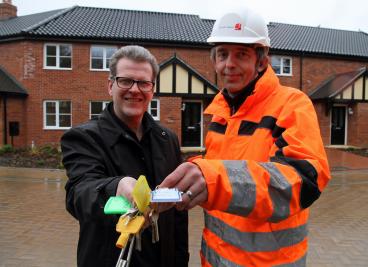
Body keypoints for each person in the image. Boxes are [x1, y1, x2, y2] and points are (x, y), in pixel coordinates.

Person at [160, 8, 331, 267]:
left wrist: (212, 179)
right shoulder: (220, 112)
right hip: (214, 259)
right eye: (222, 54)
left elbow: (303, 181)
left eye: (241, 54)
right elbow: (224, 164)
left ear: (261, 61)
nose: (229, 64)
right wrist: (192, 175)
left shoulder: (291, 104)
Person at [61, 45, 189, 267]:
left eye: (143, 83)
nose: (135, 90)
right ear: (110, 86)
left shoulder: (168, 139)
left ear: (153, 89)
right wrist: (116, 186)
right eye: (125, 81)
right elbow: (79, 196)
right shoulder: (83, 137)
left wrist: (180, 259)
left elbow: (178, 215)